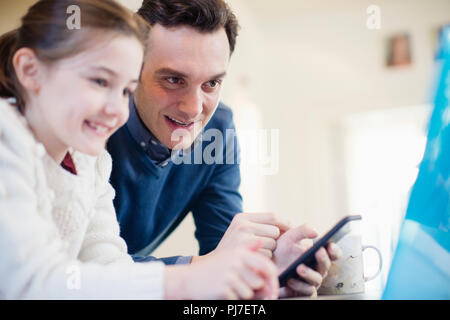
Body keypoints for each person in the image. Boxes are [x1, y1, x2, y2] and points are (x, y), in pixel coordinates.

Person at [0, 0, 279, 299]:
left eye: (124, 90)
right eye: (99, 81)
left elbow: (109, 268)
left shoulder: (90, 160)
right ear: (30, 70)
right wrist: (189, 279)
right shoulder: (7, 136)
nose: (116, 111)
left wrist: (266, 270)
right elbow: (29, 280)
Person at [107, 0, 341, 297]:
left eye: (211, 83)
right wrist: (201, 268)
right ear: (134, 70)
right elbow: (79, 272)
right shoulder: (94, 122)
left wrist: (269, 277)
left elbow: (222, 260)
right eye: (173, 79)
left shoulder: (218, 129)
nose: (193, 110)